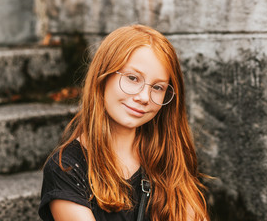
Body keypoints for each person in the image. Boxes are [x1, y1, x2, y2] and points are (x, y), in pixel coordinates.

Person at [38, 24, 209, 221]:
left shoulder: (166, 155)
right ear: (103, 77)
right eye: (132, 78)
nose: (144, 97)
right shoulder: (66, 168)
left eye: (158, 87)